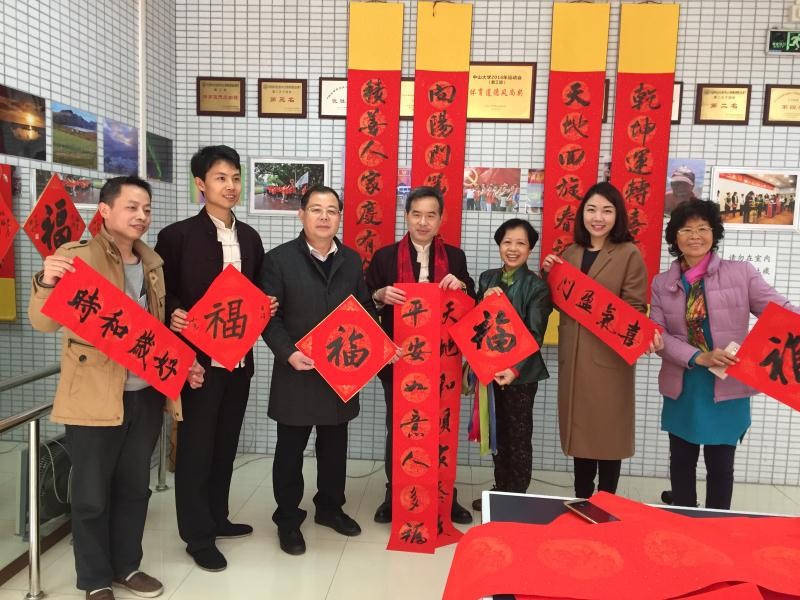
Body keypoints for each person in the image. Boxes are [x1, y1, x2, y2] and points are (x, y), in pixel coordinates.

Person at [28, 176, 205, 600]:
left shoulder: (152, 263)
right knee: (91, 494)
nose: (141, 216)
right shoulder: (76, 258)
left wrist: (183, 365)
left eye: (146, 208)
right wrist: (47, 281)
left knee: (133, 488)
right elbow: (44, 322)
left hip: (145, 394)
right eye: (131, 207)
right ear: (105, 211)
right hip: (94, 396)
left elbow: (154, 334)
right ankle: (94, 579)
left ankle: (127, 566)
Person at [155, 145, 274, 572]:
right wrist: (173, 311)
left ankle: (218, 517)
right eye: (221, 178)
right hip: (198, 365)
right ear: (200, 184)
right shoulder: (178, 236)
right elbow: (162, 291)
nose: (230, 186)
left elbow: (256, 292)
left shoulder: (251, 238)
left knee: (225, 445)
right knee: (196, 450)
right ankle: (197, 535)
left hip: (238, 362)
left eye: (236, 178)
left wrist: (267, 305)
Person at [650, 199, 796, 510]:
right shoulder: (662, 283)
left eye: (703, 228)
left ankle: (716, 525)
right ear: (675, 237)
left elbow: (778, 309)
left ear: (714, 233)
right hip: (683, 384)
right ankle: (684, 520)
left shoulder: (741, 274)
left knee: (720, 467)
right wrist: (698, 357)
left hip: (728, 382)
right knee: (681, 462)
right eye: (686, 230)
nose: (695, 236)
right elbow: (658, 336)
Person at [261, 185, 380, 556]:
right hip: (296, 372)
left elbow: (364, 309)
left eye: (332, 210)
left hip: (339, 372)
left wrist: (379, 346)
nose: (324, 216)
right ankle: (287, 519)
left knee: (334, 448)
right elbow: (268, 317)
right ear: (301, 215)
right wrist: (288, 353)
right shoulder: (279, 260)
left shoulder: (351, 260)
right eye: (316, 209)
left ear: (339, 217)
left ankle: (330, 508)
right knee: (290, 451)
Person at [542, 182, 660, 499]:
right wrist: (548, 274)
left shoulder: (628, 254)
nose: (598, 218)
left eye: (607, 211)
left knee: (608, 435)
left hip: (609, 360)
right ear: (582, 214)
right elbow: (558, 301)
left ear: (617, 216)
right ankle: (582, 498)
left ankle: (607, 500)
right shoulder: (571, 253)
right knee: (580, 432)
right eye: (592, 210)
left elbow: (635, 307)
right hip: (574, 359)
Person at [366, 185, 475, 524]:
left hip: (442, 363)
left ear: (441, 219)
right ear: (406, 216)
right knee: (400, 427)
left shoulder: (455, 257)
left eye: (431, 215)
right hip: (398, 360)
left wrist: (462, 286)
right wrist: (380, 295)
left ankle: (445, 496)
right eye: (417, 214)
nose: (423, 222)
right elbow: (364, 302)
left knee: (441, 428)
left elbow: (470, 299)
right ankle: (394, 494)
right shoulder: (385, 257)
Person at [471, 219, 553, 511]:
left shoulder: (537, 287)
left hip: (521, 375)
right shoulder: (487, 279)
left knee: (518, 437)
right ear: (499, 245)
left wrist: (514, 369)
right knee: (498, 434)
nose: (513, 249)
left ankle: (516, 498)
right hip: (491, 370)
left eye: (521, 243)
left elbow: (535, 335)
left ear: (530, 249)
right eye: (507, 242)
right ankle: (500, 490)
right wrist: (482, 300)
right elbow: (476, 323)